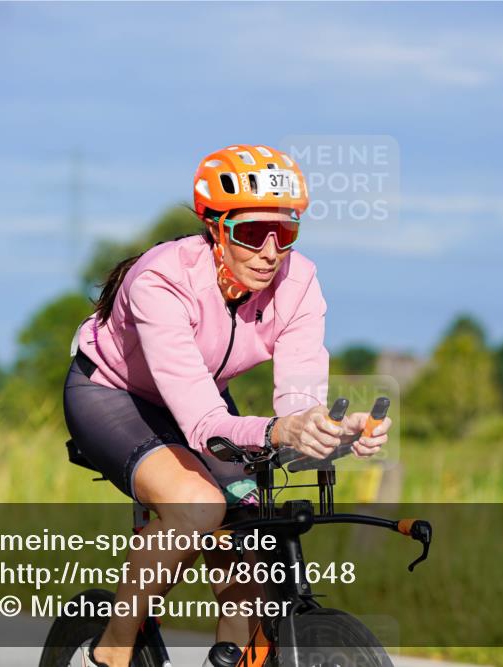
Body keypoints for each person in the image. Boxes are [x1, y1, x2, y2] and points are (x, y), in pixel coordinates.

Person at [63, 144, 393, 667]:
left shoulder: (300, 282)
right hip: (114, 394)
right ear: (216, 228)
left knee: (250, 533)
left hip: (200, 392)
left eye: (284, 231)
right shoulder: (160, 280)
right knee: (198, 504)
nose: (270, 251)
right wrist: (282, 430)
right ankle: (110, 651)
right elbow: (205, 423)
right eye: (252, 232)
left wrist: (330, 433)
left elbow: (298, 405)